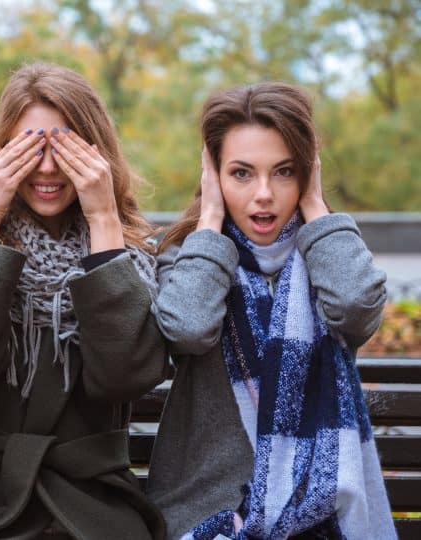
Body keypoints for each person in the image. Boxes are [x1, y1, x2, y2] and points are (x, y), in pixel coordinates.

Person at [0, 62, 167, 540]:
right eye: (29, 149)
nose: (47, 168)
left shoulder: (132, 257)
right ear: (0, 155)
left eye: (63, 149)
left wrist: (104, 225)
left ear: (96, 155)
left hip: (91, 505)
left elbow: (125, 377)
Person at [147, 82, 395, 539]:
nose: (264, 193)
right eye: (241, 173)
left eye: (284, 171)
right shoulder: (190, 256)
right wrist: (209, 221)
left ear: (307, 174)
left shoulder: (326, 253)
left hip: (318, 516)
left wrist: (316, 206)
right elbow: (188, 329)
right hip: (209, 512)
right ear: (213, 176)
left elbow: (357, 309)